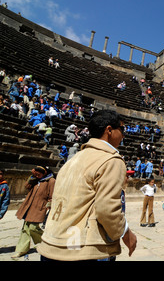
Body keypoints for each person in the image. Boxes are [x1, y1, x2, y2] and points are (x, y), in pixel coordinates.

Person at [37, 110, 137, 261]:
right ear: (109, 130)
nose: (123, 135)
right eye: (122, 129)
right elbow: (106, 209)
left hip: (52, 244)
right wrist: (126, 234)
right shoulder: (111, 160)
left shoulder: (73, 160)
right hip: (84, 249)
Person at [12, 166, 55, 259]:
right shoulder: (36, 180)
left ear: (45, 173)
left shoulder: (51, 181)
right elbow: (27, 186)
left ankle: (45, 243)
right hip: (29, 207)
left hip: (40, 207)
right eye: (36, 174)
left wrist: (48, 207)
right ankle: (21, 249)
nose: (37, 176)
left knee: (33, 228)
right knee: (25, 228)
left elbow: (52, 196)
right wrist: (32, 177)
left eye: (39, 174)